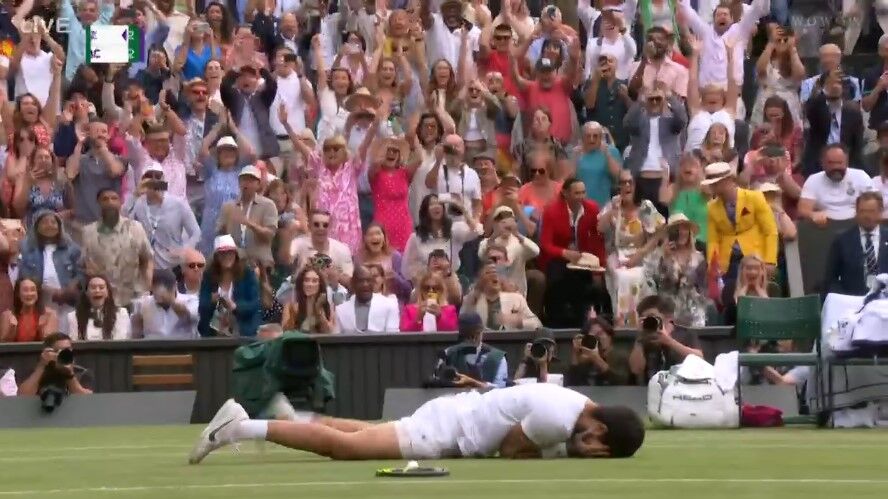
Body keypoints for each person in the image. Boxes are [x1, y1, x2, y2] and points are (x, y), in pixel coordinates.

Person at [189, 382, 645, 463]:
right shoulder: (559, 421)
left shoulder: (581, 404)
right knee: (342, 448)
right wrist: (568, 450)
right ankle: (238, 427)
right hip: (444, 432)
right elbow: (511, 450)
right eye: (603, 450)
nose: (596, 453)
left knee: (363, 432)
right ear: (601, 432)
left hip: (454, 414)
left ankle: (300, 419)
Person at [598, 171, 665, 326]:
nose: (626, 186)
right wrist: (612, 211)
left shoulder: (645, 206)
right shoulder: (614, 203)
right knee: (621, 276)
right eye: (623, 183)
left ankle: (641, 322)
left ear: (636, 186)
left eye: (630, 182)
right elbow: (600, 228)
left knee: (636, 275)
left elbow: (661, 231)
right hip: (618, 254)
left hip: (642, 253)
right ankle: (622, 323)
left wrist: (642, 253)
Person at [540, 178, 609, 328]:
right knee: (558, 281)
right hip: (558, 259)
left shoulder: (592, 208)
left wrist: (599, 267)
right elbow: (545, 244)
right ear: (565, 193)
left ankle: (583, 324)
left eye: (583, 192)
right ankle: (556, 326)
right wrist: (564, 253)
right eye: (577, 193)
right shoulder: (551, 211)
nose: (581, 197)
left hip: (582, 260)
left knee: (585, 284)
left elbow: (598, 240)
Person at [704, 162, 779, 283]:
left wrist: (770, 261)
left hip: (755, 258)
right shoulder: (711, 208)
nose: (713, 188)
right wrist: (713, 265)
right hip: (729, 262)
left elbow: (770, 230)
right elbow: (713, 240)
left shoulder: (754, 198)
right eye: (712, 185)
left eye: (716, 183)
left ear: (729, 180)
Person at [80, 189, 154, 310]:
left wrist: (147, 286)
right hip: (103, 299)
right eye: (105, 199)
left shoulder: (135, 228)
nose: (110, 202)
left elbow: (147, 258)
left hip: (133, 298)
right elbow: (85, 265)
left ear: (120, 202)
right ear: (98, 203)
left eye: (114, 198)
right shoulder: (88, 232)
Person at [17, 210, 83, 333]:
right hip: (41, 302)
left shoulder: (72, 248)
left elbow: (81, 271)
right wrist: (49, 291)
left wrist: (70, 288)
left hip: (69, 301)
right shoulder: (27, 249)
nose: (49, 225)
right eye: (44, 222)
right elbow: (24, 276)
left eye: (53, 222)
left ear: (59, 226)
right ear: (36, 227)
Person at [127, 165, 201, 271]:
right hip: (147, 266)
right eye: (149, 177)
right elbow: (123, 221)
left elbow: (196, 233)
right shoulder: (139, 204)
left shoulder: (178, 204)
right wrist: (135, 195)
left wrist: (184, 251)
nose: (154, 181)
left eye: (157, 177)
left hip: (172, 265)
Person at [646, 214, 708, 327]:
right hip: (669, 307)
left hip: (693, 307)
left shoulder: (698, 257)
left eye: (684, 229)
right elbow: (656, 281)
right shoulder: (660, 255)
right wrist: (666, 258)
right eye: (677, 230)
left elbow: (703, 286)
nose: (681, 233)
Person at [802, 70, 865, 177]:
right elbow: (810, 109)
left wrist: (856, 168)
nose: (835, 86)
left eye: (838, 82)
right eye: (830, 82)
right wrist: (826, 92)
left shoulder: (853, 111)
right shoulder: (817, 107)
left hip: (845, 164)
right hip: (818, 165)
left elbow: (857, 145)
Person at [628, 295, 703, 384]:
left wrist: (669, 341)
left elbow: (699, 359)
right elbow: (636, 370)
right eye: (643, 318)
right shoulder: (643, 338)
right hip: (651, 387)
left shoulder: (685, 333)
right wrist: (640, 340)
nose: (648, 320)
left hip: (681, 386)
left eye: (651, 316)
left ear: (668, 317)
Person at [825, 192, 888, 296]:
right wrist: (844, 299)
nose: (866, 216)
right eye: (862, 211)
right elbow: (831, 278)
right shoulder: (842, 240)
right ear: (856, 212)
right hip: (852, 300)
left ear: (880, 212)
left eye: (871, 211)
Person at [197, 235, 261, 337]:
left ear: (236, 254)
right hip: (213, 333)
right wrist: (211, 301)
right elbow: (201, 306)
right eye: (222, 253)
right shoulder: (209, 275)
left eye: (230, 252)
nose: (227, 256)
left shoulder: (247, 274)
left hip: (243, 332)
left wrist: (234, 306)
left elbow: (254, 304)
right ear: (216, 256)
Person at [216, 165, 279, 268]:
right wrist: (225, 228)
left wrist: (249, 223)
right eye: (244, 180)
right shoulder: (228, 207)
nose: (246, 183)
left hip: (260, 260)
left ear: (258, 184)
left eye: (251, 180)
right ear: (239, 183)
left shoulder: (268, 205)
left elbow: (269, 235)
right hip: (234, 261)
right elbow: (219, 235)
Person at [798, 145, 874, 224]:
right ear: (822, 163)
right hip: (825, 223)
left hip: (856, 221)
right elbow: (803, 209)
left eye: (839, 163)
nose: (835, 167)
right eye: (831, 163)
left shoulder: (861, 176)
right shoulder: (813, 179)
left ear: (847, 163)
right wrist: (812, 215)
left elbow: (874, 201)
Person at [462, 263, 542, 331]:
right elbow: (460, 325)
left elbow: (537, 324)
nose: (494, 275)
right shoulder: (470, 300)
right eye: (489, 273)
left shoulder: (516, 299)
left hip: (509, 342)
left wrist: (519, 322)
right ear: (481, 279)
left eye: (497, 272)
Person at [18, 332, 93, 398]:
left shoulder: (82, 373)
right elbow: (21, 397)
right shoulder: (35, 373)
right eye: (57, 351)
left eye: (67, 350)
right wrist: (41, 366)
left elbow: (86, 400)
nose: (63, 354)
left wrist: (70, 375)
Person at [131, 269, 199, 339]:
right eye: (156, 286)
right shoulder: (143, 303)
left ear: (175, 286)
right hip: (152, 343)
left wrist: (170, 300)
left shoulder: (190, 300)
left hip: (181, 343)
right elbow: (136, 333)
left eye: (168, 287)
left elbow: (190, 317)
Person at [566, 317, 631, 386]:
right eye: (593, 336)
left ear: (609, 335)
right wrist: (576, 354)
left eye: (600, 333)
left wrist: (596, 359)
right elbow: (570, 384)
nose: (597, 338)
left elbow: (621, 382)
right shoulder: (585, 361)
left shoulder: (621, 356)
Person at [335, 265, 400, 334]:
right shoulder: (340, 310)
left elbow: (392, 336)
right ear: (353, 283)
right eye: (360, 281)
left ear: (373, 283)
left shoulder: (389, 305)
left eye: (368, 281)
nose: (365, 284)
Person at [721, 254, 782, 326]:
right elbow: (732, 318)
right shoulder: (730, 288)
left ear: (763, 271)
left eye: (756, 268)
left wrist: (758, 289)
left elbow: (773, 315)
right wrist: (744, 289)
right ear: (741, 271)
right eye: (749, 268)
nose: (753, 272)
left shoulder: (772, 288)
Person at [67, 275, 131, 341]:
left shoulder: (121, 313)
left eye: (101, 287)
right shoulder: (73, 316)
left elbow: (121, 339)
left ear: (107, 292)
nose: (97, 290)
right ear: (86, 293)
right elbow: (74, 341)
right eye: (93, 288)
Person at [280, 267, 337, 335]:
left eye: (314, 281)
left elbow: (329, 332)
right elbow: (285, 332)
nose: (310, 284)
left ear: (320, 285)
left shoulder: (328, 306)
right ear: (301, 283)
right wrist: (293, 314)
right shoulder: (290, 305)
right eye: (306, 280)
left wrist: (319, 311)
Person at [0, 277, 58, 342]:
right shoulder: (7, 316)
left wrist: (41, 328)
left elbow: (51, 343)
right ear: (18, 294)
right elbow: (3, 344)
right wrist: (12, 329)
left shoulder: (49, 315)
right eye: (25, 290)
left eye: (33, 290)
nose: (29, 294)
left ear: (37, 293)